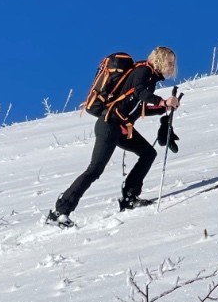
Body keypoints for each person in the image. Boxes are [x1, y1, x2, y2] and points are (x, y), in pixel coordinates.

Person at [46, 46, 182, 226]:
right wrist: (163, 101)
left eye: (173, 63)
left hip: (121, 127)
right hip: (108, 125)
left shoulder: (149, 78)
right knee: (95, 170)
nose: (172, 66)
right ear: (159, 60)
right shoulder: (143, 71)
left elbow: (139, 107)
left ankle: (130, 197)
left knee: (148, 153)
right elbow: (141, 93)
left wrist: (164, 108)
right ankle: (60, 212)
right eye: (169, 62)